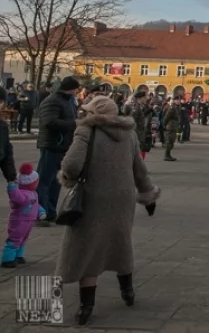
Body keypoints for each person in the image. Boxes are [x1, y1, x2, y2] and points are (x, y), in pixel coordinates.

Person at [55, 96, 160, 325]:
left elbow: (72, 165)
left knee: (87, 248)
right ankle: (128, 292)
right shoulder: (129, 134)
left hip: (93, 197)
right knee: (120, 243)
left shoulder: (86, 131)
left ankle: (86, 307)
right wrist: (148, 195)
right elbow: (139, 169)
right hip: (123, 198)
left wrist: (68, 178)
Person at [35, 76, 80, 226]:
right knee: (44, 180)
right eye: (76, 89)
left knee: (57, 181)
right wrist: (74, 123)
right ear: (72, 88)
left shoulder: (68, 101)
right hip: (51, 145)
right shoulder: (52, 100)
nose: (77, 92)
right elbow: (49, 122)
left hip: (62, 146)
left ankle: (51, 212)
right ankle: (40, 212)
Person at [2, 163, 43, 268]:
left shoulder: (33, 193)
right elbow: (15, 196)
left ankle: (18, 255)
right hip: (19, 220)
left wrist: (41, 211)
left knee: (23, 238)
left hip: (28, 221)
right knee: (15, 238)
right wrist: (12, 187)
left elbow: (36, 205)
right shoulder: (22, 194)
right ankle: (7, 259)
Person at [162, 97, 182, 161]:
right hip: (170, 126)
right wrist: (164, 125)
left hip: (174, 126)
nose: (179, 101)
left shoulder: (177, 107)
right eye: (177, 100)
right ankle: (166, 155)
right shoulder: (172, 108)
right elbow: (166, 117)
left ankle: (168, 154)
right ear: (174, 101)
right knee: (169, 141)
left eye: (179, 100)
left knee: (172, 141)